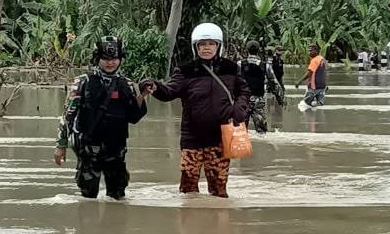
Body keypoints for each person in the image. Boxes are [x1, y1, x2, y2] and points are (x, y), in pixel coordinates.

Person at [140, 23, 250, 197]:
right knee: (188, 188)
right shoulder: (185, 71)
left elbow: (244, 91)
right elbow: (169, 92)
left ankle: (218, 215)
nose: (207, 48)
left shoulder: (231, 68)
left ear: (219, 46)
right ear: (195, 47)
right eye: (202, 44)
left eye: (211, 44)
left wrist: (239, 108)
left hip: (220, 137)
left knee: (219, 189)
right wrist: (155, 86)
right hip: (192, 138)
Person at [55, 36, 149, 200]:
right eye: (105, 59)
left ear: (120, 59)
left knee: (118, 197)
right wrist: (60, 145)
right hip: (89, 148)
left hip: (116, 149)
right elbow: (68, 115)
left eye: (114, 59)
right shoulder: (82, 83)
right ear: (97, 58)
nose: (110, 63)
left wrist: (143, 95)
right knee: (88, 196)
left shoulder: (127, 84)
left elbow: (134, 117)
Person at [239, 40, 283, 127]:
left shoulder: (239, 64)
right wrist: (280, 98)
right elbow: (274, 83)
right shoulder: (265, 66)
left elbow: (231, 82)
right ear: (259, 50)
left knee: (241, 129)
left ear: (246, 50)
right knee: (261, 130)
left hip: (243, 101)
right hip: (258, 100)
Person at [296, 43, 328, 109]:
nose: (309, 52)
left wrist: (299, 81)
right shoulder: (322, 59)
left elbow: (309, 73)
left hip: (314, 87)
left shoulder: (314, 60)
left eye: (311, 50)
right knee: (320, 107)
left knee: (304, 105)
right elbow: (325, 72)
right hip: (322, 87)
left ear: (316, 50)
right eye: (309, 51)